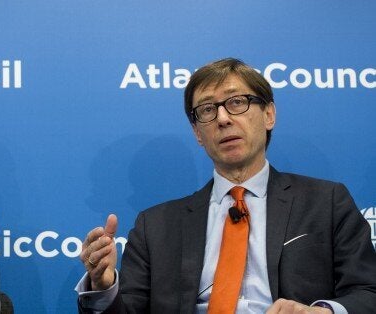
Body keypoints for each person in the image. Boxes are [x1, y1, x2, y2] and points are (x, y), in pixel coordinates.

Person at [76, 58, 376, 313]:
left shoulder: (326, 202)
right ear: (197, 132)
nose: (222, 118)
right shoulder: (154, 226)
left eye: (237, 102)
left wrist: (321, 311)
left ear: (269, 114)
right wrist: (104, 288)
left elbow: (368, 292)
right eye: (207, 110)